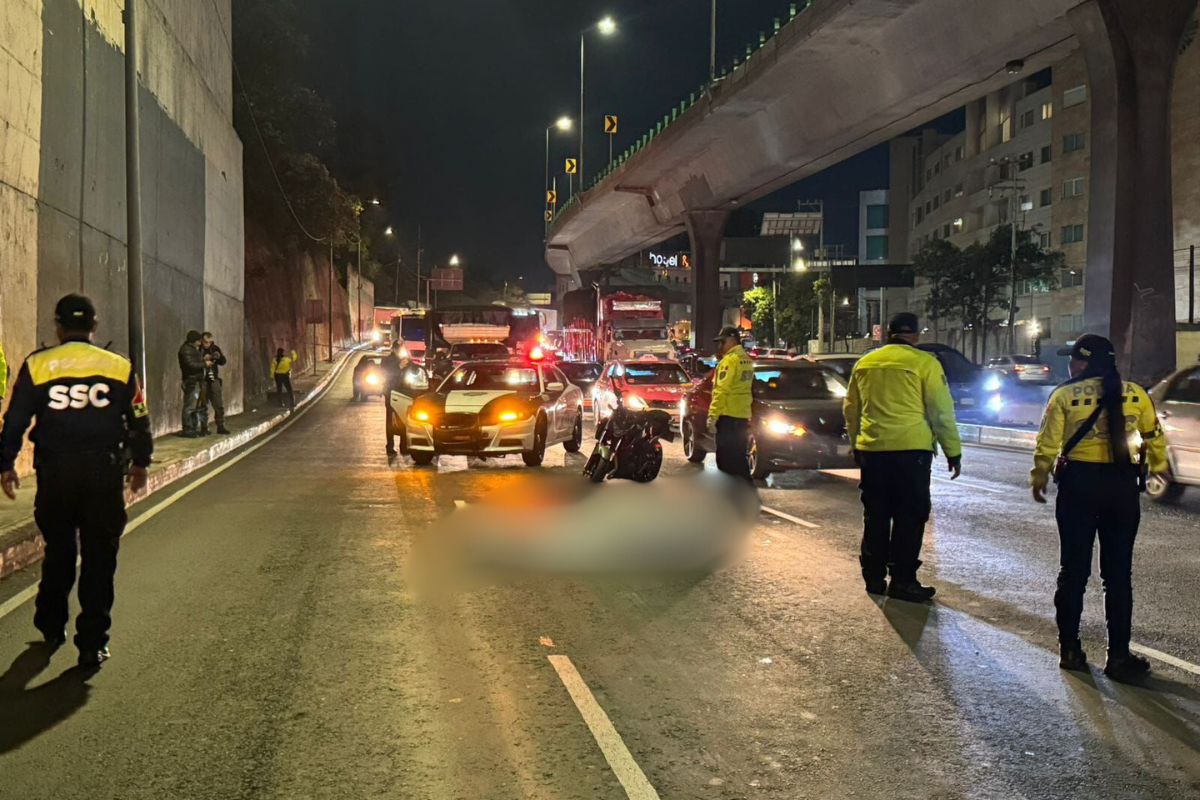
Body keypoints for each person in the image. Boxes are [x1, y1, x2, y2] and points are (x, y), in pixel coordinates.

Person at [0, 294, 152, 668]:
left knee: (59, 550)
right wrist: (141, 463)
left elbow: (16, 419)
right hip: (102, 475)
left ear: (58, 326)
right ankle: (92, 643)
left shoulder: (38, 364)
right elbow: (138, 418)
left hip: (55, 474)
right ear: (94, 327)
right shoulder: (118, 366)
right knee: (100, 558)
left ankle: (51, 624)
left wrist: (5, 464)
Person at [1030, 334, 1167, 682]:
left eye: (1074, 359)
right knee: (1118, 576)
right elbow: (1153, 436)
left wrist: (1040, 475)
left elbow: (1048, 441)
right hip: (1121, 488)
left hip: (1079, 486)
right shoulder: (1137, 394)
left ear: (1084, 362)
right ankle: (1118, 657)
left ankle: (1070, 650)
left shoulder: (1063, 395)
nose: (1070, 364)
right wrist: (1158, 465)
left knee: (1073, 573)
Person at [843, 312, 961, 602]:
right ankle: (903, 580)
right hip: (912, 451)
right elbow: (941, 411)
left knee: (876, 515)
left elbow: (851, 408)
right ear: (916, 335)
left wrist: (858, 443)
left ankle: (873, 577)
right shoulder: (925, 363)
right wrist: (952, 450)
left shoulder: (865, 362)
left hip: (873, 449)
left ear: (888, 333)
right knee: (910, 516)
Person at [707, 326, 754, 482]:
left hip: (728, 416)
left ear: (733, 340)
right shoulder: (746, 359)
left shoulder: (730, 361)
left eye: (723, 342)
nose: (720, 346)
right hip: (742, 416)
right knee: (739, 459)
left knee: (726, 461)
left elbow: (721, 390)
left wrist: (713, 416)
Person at [177, 330, 206, 437]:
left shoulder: (193, 349)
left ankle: (193, 427)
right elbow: (191, 365)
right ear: (194, 341)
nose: (200, 343)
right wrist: (204, 364)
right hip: (191, 382)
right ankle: (188, 429)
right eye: (199, 341)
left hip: (196, 381)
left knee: (196, 406)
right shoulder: (186, 350)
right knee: (190, 406)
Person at [199, 332, 229, 435]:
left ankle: (221, 426)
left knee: (218, 404)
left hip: (213, 378)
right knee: (202, 405)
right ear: (202, 341)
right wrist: (203, 359)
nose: (207, 344)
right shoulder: (198, 349)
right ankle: (204, 427)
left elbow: (223, 361)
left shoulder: (215, 348)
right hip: (202, 380)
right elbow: (193, 361)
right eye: (205, 342)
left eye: (209, 342)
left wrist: (218, 357)